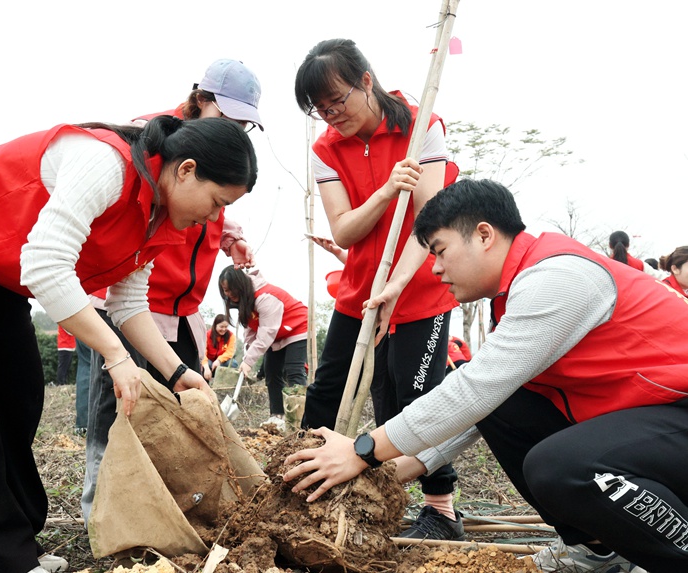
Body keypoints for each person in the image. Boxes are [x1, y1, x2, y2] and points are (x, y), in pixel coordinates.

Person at [0, 115, 257, 573]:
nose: (214, 218)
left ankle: (19, 536)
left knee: (21, 391)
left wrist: (177, 373)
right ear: (186, 169)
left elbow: (129, 302)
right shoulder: (107, 164)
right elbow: (46, 264)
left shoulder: (157, 217)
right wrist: (114, 355)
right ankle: (3, 558)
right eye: (217, 202)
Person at [283, 179, 688, 573]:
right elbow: (483, 402)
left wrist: (362, 449)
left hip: (678, 412)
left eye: (440, 251)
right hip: (651, 424)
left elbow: (473, 389)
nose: (436, 269)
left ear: (483, 235)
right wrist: (386, 470)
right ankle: (599, 552)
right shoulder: (515, 293)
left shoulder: (557, 278)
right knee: (506, 404)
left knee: (563, 466)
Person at [79, 58, 262, 525]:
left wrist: (229, 234)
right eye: (229, 119)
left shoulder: (220, 162)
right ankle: (102, 509)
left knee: (184, 404)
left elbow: (206, 215)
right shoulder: (151, 139)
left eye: (245, 124)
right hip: (132, 299)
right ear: (201, 100)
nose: (238, 130)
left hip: (183, 308)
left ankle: (176, 507)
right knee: (119, 410)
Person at [293, 38, 461, 539]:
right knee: (327, 389)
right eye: (320, 110)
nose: (331, 116)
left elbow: (430, 218)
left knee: (413, 395)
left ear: (366, 80)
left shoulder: (420, 124)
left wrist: (399, 284)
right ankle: (304, 485)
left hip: (421, 287)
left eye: (337, 101)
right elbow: (344, 230)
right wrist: (387, 189)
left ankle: (441, 508)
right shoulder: (326, 148)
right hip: (360, 290)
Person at [219, 265, 308, 431]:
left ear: (240, 285)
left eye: (231, 290)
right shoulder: (244, 300)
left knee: (293, 370)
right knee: (271, 371)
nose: (228, 294)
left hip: (297, 327)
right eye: (225, 290)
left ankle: (300, 420)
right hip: (277, 334)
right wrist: (247, 356)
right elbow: (251, 328)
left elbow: (266, 333)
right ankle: (277, 416)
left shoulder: (266, 298)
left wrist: (250, 361)